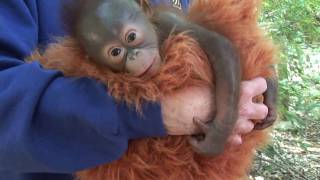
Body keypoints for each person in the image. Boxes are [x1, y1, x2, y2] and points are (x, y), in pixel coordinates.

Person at [0, 0, 269, 180]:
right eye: (117, 53)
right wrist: (158, 112)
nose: (135, 60)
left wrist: (262, 88)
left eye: (132, 39)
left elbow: (228, 43)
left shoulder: (163, 15)